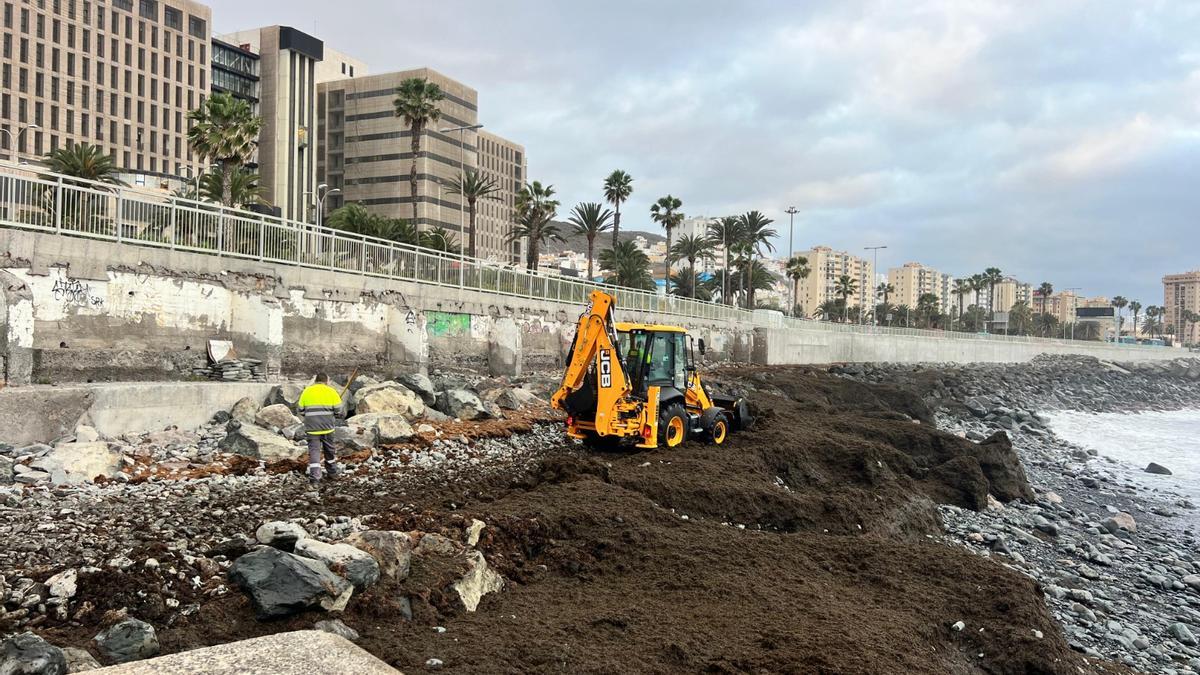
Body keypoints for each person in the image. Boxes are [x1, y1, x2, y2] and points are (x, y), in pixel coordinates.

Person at [297, 373, 342, 485]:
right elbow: (338, 411)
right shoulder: (331, 391)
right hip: (328, 427)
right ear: (326, 381)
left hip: (312, 428)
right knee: (329, 450)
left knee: (314, 452)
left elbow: (301, 410)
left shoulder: (306, 391)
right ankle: (332, 472)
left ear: (315, 380)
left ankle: (315, 478)